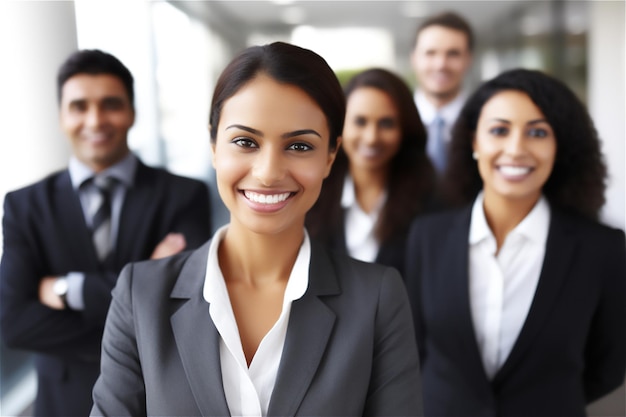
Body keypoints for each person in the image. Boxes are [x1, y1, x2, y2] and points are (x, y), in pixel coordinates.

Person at [90, 42, 422, 417]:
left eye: (298, 145)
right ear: (214, 145)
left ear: (331, 155)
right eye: (245, 142)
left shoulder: (377, 299)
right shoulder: (141, 295)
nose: (267, 172)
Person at [0, 49, 212, 416]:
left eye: (110, 104)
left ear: (132, 112)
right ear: (62, 116)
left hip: (158, 401)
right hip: (62, 405)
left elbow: (185, 305)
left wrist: (70, 289)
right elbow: (14, 323)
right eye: (79, 106)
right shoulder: (24, 206)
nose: (95, 120)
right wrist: (144, 285)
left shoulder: (184, 195)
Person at [404, 68, 626, 416]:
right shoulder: (427, 237)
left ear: (559, 146)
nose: (516, 148)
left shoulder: (603, 249)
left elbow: (609, 366)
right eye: (499, 130)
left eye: (537, 132)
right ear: (475, 142)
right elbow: (413, 349)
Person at [306, 68, 435, 276]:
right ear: (339, 127)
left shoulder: (431, 204)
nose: (371, 137)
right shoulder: (310, 195)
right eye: (360, 122)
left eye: (386, 123)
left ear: (405, 128)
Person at [410, 11, 474, 175]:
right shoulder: (395, 119)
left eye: (453, 54)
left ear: (469, 60)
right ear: (414, 58)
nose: (441, 64)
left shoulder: (484, 121)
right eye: (430, 53)